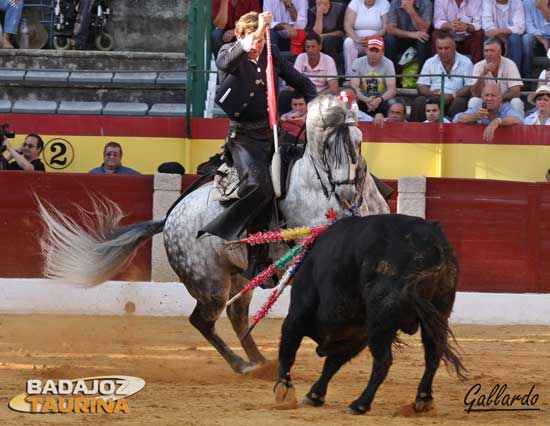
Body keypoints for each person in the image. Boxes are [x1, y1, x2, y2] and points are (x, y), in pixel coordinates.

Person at [203, 11, 316, 278]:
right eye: (255, 39)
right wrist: (253, 37)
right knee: (259, 186)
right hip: (243, 138)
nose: (259, 45)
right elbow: (228, 61)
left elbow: (300, 82)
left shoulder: (271, 53)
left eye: (262, 40)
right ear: (242, 35)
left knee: (312, 166)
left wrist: (314, 102)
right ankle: (257, 256)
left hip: (272, 131)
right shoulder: (229, 52)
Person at [410, 30, 473, 122]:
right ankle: (416, 132)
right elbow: (421, 85)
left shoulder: (466, 62)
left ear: (454, 47)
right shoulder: (430, 62)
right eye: (440, 48)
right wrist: (430, 94)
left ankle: (456, 134)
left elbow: (470, 86)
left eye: (447, 48)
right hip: (433, 99)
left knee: (459, 102)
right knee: (419, 101)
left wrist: (453, 95)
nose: (443, 51)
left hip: (454, 98)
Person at [470, 37, 524, 114]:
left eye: (492, 50)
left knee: (516, 102)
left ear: (499, 52)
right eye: (486, 51)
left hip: (505, 103)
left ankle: (518, 125)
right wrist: (483, 74)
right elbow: (475, 93)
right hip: (486, 103)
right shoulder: (478, 66)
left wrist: (496, 99)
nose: (488, 54)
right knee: (474, 101)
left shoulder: (510, 64)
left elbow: (516, 92)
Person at [453, 83, 522, 142]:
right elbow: (457, 118)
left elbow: (518, 120)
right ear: (482, 98)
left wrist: (497, 121)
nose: (489, 98)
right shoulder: (478, 108)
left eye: (493, 95)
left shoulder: (505, 108)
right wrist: (474, 117)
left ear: (500, 98)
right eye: (486, 95)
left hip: (505, 146)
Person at [343, 0, 390, 78]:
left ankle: (377, 77)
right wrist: (356, 38)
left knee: (379, 43)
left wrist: (372, 38)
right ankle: (350, 76)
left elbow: (386, 28)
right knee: (348, 42)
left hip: (377, 37)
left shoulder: (384, 3)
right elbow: (347, 25)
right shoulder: (355, 2)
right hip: (358, 38)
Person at [350, 36, 396, 116]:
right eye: (371, 50)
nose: (373, 54)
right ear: (366, 50)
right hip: (362, 98)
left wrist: (378, 100)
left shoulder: (388, 63)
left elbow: (392, 90)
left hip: (382, 98)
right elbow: (354, 88)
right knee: (348, 100)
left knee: (393, 104)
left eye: (377, 51)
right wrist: (366, 100)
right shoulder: (357, 62)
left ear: (382, 52)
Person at [385, 0, 433, 69]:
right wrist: (411, 34)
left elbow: (424, 29)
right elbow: (390, 29)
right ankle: (392, 74)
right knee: (389, 39)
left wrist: (411, 10)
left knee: (423, 39)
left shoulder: (426, 3)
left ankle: (422, 76)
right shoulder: (395, 2)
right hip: (401, 38)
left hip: (418, 39)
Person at [481, 0, 525, 73]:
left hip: (510, 35)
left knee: (515, 39)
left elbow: (520, 27)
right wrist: (502, 39)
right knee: (488, 38)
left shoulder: (517, 2)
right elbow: (487, 27)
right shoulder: (487, 2)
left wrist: (499, 31)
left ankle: (514, 75)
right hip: (494, 36)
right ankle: (490, 74)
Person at [306, 0, 346, 68]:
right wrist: (319, 14)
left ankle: (331, 69)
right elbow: (316, 34)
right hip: (319, 40)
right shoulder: (312, 11)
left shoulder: (340, 8)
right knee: (312, 42)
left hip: (336, 40)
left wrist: (323, 36)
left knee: (328, 41)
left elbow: (341, 32)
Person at [522, 0, 550, 80]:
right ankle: (527, 78)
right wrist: (543, 40)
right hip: (536, 35)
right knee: (526, 39)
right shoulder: (527, 2)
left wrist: (544, 9)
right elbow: (528, 25)